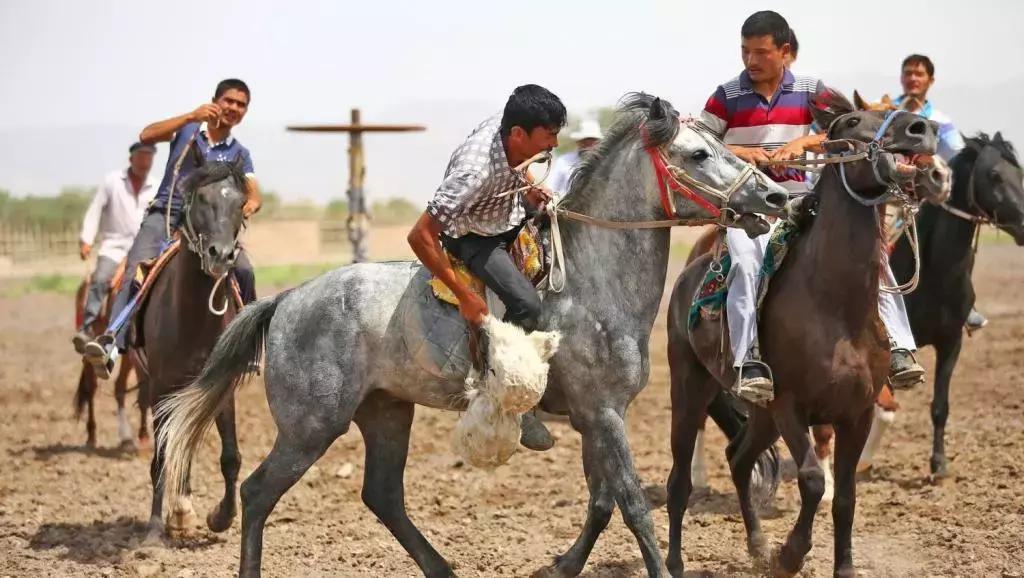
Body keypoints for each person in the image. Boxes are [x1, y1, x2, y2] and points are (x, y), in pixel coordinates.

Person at [699, 11, 925, 402]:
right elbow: (699, 145)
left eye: (761, 52)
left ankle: (901, 349)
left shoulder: (811, 90)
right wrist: (741, 152)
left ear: (784, 52)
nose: (751, 61)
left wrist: (803, 144)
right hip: (750, 210)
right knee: (747, 263)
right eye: (745, 51)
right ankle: (748, 359)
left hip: (806, 202)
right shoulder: (726, 96)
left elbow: (847, 132)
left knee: (869, 254)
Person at [407, 84, 565, 449]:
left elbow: (513, 165)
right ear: (518, 134)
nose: (555, 144)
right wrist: (464, 295)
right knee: (527, 304)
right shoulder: (472, 173)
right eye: (550, 136)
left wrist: (527, 186)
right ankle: (507, 393)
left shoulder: (509, 125)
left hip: (506, 215)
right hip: (475, 237)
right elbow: (420, 236)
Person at [82, 78, 262, 379]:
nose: (234, 108)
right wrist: (191, 116)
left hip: (210, 223)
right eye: (229, 101)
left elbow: (254, 194)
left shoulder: (239, 154)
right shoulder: (189, 132)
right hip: (166, 213)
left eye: (241, 105)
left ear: (245, 112)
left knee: (244, 270)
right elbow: (147, 135)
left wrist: (246, 206)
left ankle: (249, 345)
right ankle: (113, 341)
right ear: (215, 100)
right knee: (136, 268)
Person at [894, 54, 985, 331]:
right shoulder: (887, 113)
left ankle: (963, 305)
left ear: (930, 81)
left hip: (928, 201)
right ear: (901, 78)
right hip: (891, 199)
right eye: (908, 73)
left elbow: (955, 159)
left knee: (958, 244)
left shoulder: (940, 121)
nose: (913, 78)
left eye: (919, 74)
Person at [71, 142, 158, 353]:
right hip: (114, 247)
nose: (146, 161)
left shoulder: (156, 187)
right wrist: (86, 239)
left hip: (144, 249)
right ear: (131, 159)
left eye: (149, 157)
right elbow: (95, 210)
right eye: (142, 156)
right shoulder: (112, 182)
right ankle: (87, 327)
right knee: (100, 278)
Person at [548, 118, 603, 196]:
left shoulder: (603, 164)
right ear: (579, 142)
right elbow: (551, 187)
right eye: (585, 140)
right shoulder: (564, 161)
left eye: (592, 141)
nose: (588, 145)